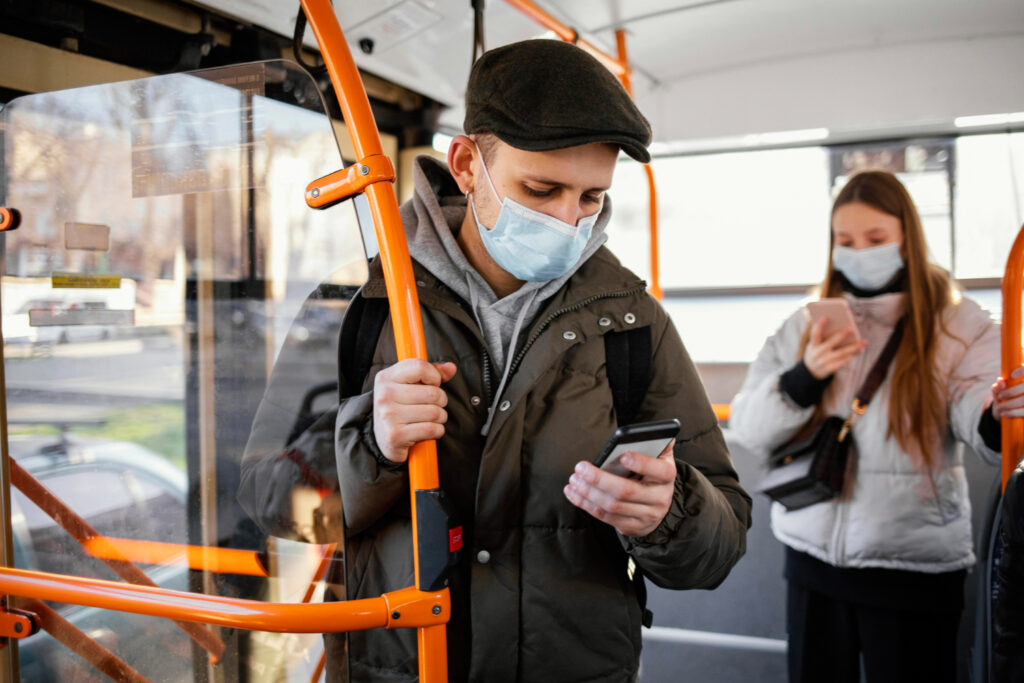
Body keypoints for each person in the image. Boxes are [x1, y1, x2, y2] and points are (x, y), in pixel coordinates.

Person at [328, 39, 751, 682]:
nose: (568, 223)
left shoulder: (633, 322)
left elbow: (720, 546)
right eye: (542, 188)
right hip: (400, 664)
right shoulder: (365, 306)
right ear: (467, 164)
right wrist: (373, 447)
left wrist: (670, 514)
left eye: (590, 199)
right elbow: (269, 503)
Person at [730, 169, 1020, 683]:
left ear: (907, 237)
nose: (859, 252)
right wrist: (804, 378)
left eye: (876, 239)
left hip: (910, 564)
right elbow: (751, 428)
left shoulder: (958, 324)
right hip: (812, 556)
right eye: (845, 241)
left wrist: (997, 415)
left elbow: (974, 405)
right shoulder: (804, 324)